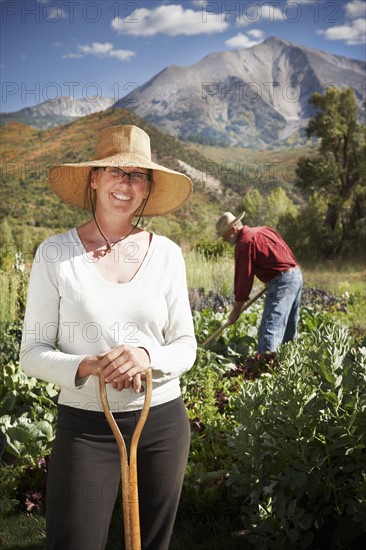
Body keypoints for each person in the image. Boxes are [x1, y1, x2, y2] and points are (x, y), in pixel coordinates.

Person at [20, 124, 197, 550]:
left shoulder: (168, 255)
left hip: (161, 422)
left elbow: (186, 345)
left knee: (151, 543)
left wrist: (144, 356)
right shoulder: (56, 254)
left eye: (138, 175)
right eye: (116, 171)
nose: (126, 182)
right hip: (86, 427)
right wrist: (89, 365)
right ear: (94, 178)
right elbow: (32, 353)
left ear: (147, 189)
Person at [213, 211, 303, 354]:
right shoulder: (263, 230)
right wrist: (270, 278)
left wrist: (235, 312)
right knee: (289, 328)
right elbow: (282, 254)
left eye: (223, 234)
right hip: (295, 275)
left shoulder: (244, 243)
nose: (223, 239)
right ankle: (290, 367)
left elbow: (244, 280)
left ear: (233, 229)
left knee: (270, 327)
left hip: (282, 281)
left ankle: (264, 369)